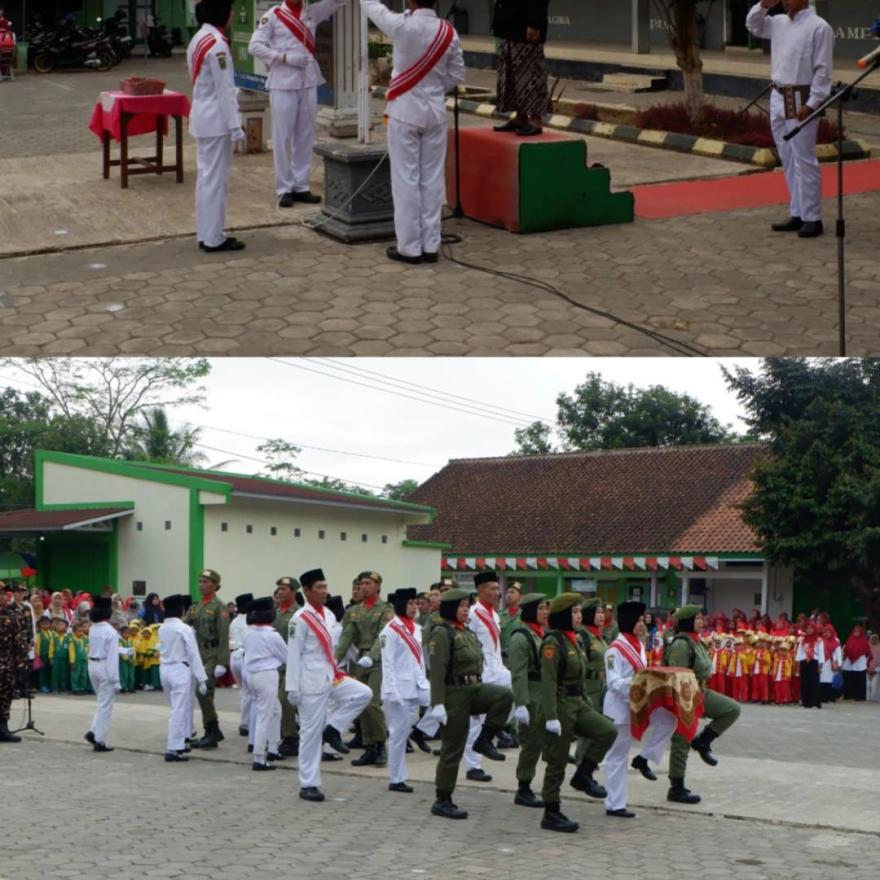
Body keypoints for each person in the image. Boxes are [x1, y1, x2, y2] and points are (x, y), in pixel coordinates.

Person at [360, 0, 465, 265]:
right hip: (435, 114)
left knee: (406, 180)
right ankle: (431, 246)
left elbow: (374, 8)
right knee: (431, 180)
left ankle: (409, 247)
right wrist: (432, 90)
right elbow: (457, 74)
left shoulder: (401, 25)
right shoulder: (448, 31)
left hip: (405, 113)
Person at [746, 0, 833, 239]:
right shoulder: (778, 23)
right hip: (777, 95)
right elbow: (753, 25)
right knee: (788, 157)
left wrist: (812, 103)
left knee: (804, 159)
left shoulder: (819, 27)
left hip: (801, 96)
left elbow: (824, 71)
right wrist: (763, 4)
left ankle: (812, 218)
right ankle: (797, 212)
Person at [424, 588, 513, 819]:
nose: (466, 610)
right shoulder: (442, 633)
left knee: (503, 696)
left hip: (473, 688)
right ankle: (443, 798)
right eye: (462, 606)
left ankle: (484, 740)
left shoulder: (466, 632)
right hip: (454, 694)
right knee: (452, 748)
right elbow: (437, 670)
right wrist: (438, 703)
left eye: (467, 605)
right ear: (451, 608)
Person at [286, 568, 372, 802]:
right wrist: (292, 687)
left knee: (364, 693)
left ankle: (333, 729)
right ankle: (308, 784)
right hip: (309, 681)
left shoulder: (329, 615)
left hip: (331, 674)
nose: (325, 591)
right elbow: (293, 654)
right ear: (306, 591)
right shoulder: (299, 619)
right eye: (319, 588)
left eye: (325, 587)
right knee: (310, 735)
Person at [248, 0, 345, 207]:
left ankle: (301, 185)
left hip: (308, 81)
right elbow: (254, 46)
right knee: (282, 136)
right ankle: (284, 188)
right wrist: (283, 57)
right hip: (283, 82)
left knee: (305, 135)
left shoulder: (312, 12)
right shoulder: (273, 15)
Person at [539, 593, 618, 833]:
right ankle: (551, 812)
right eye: (574, 612)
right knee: (557, 761)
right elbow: (548, 682)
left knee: (607, 730)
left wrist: (585, 702)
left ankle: (583, 775)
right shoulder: (554, 642)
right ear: (563, 615)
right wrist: (551, 716)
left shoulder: (575, 640)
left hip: (578, 702)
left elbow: (581, 677)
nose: (579, 616)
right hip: (561, 704)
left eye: (579, 612)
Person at [603, 601, 677, 819]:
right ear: (627, 621)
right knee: (617, 756)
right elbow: (613, 683)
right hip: (620, 708)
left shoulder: (639, 645)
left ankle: (645, 757)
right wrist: (638, 684)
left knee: (669, 720)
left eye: (642, 619)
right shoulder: (613, 650)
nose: (642, 624)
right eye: (637, 620)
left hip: (640, 702)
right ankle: (615, 804)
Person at [665, 606, 741, 804]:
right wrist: (683, 702)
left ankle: (703, 741)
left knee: (731, 709)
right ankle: (676, 788)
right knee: (681, 740)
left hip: (701, 691)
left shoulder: (696, 641)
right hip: (685, 695)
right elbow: (676, 673)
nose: (701, 621)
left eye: (701, 618)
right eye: (697, 619)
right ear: (687, 621)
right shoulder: (681, 644)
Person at [187, 0, 247, 253]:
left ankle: (207, 232)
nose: (233, 13)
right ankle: (214, 238)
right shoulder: (218, 45)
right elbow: (225, 92)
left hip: (203, 116)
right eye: (230, 9)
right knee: (215, 181)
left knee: (206, 179)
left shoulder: (199, 38)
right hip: (216, 120)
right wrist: (236, 127)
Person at [334, 570, 393, 767]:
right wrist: (334, 660)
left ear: (377, 586)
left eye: (368, 583)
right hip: (359, 659)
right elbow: (346, 638)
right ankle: (369, 747)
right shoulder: (354, 611)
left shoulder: (385, 609)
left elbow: (383, 636)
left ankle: (380, 744)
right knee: (361, 702)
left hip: (377, 659)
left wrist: (372, 656)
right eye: (361, 584)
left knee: (373, 703)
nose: (363, 587)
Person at [380, 588, 430, 792]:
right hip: (399, 689)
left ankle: (421, 730)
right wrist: (391, 692)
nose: (414, 607)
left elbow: (419, 659)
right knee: (398, 735)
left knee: (441, 705)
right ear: (400, 604)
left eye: (415, 603)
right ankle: (396, 778)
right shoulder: (390, 630)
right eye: (410, 603)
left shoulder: (417, 628)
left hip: (418, 684)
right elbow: (388, 663)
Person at [464, 571, 512, 781]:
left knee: (516, 689)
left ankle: (497, 728)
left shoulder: (494, 614)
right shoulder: (473, 613)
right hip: (480, 671)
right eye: (492, 588)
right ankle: (473, 766)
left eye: (497, 588)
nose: (497, 593)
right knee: (475, 722)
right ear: (480, 590)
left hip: (497, 669)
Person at [508, 592, 548, 809]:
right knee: (531, 743)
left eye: (546, 608)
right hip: (531, 694)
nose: (545, 613)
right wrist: (521, 703)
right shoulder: (520, 637)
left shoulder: (540, 634)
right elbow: (518, 673)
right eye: (541, 608)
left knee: (541, 742)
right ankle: (523, 786)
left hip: (543, 693)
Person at [184, 568, 230, 748]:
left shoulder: (220, 607)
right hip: (198, 653)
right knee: (203, 692)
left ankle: (213, 729)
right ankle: (211, 731)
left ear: (216, 585)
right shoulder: (196, 606)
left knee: (202, 691)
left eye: (206, 582)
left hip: (212, 654)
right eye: (201, 581)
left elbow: (224, 635)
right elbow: (184, 624)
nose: (202, 585)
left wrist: (222, 662)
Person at [159, 594, 207, 763]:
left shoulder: (162, 628)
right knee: (179, 710)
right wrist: (202, 679)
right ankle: (173, 749)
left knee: (177, 708)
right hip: (180, 669)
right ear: (181, 610)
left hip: (164, 669)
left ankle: (182, 741)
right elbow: (194, 654)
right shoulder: (184, 629)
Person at [491, 0, 549, 136]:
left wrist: (534, 23)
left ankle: (535, 119)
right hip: (509, 24)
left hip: (526, 26)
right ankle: (520, 117)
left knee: (532, 75)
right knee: (513, 75)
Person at [244, 597, 289, 770]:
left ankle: (273, 748)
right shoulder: (272, 635)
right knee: (265, 715)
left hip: (252, 675)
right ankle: (259, 757)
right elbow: (286, 657)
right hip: (267, 675)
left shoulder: (248, 633)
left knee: (275, 711)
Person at [84, 597, 121, 752]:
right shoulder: (110, 631)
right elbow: (112, 657)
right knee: (106, 705)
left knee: (101, 702)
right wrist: (116, 680)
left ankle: (93, 732)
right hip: (105, 667)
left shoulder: (93, 628)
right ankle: (100, 740)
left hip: (92, 665)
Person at [272, 577, 301, 756]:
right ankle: (284, 733)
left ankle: (291, 738)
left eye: (283, 589)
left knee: (285, 699)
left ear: (293, 592)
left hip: (293, 663)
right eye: (279, 589)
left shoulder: (298, 613)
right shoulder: (275, 612)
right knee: (278, 701)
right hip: (276, 664)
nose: (280, 592)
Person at [0, 583, 24, 743]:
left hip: (6, 665)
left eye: (3, 593)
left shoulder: (11, 615)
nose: (2, 596)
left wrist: (21, 663)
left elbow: (18, 641)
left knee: (5, 696)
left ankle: (3, 728)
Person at [229, 592, 254, 737]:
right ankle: (245, 724)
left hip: (234, 657)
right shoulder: (249, 620)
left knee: (244, 691)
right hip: (245, 655)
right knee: (249, 692)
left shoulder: (234, 621)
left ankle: (245, 722)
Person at [796, 621, 824, 708]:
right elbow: (799, 653)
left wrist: (820, 665)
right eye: (808, 628)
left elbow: (821, 653)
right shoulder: (803, 640)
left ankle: (815, 702)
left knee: (814, 682)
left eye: (811, 628)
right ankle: (806, 702)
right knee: (804, 682)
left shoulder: (819, 640)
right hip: (804, 662)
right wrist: (797, 665)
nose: (809, 630)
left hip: (814, 662)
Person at [841, 624, 872, 701]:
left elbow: (868, 652)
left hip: (860, 663)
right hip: (849, 663)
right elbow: (845, 650)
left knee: (860, 680)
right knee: (849, 679)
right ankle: (848, 695)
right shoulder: (849, 640)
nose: (856, 633)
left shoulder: (864, 641)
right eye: (855, 631)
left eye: (858, 631)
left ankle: (859, 697)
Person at [499, 580, 523, 659]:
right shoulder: (499, 615)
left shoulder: (524, 616)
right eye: (507, 592)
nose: (508, 595)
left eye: (512, 592)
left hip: (518, 658)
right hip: (501, 659)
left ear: (521, 596)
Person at [867, 633, 880, 703]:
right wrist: (867, 669)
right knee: (867, 686)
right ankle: (867, 700)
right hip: (867, 670)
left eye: (875, 639)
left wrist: (876, 670)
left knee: (874, 686)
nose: (874, 640)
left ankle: (874, 701)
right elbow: (864, 659)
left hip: (877, 671)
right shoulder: (867, 648)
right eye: (872, 639)